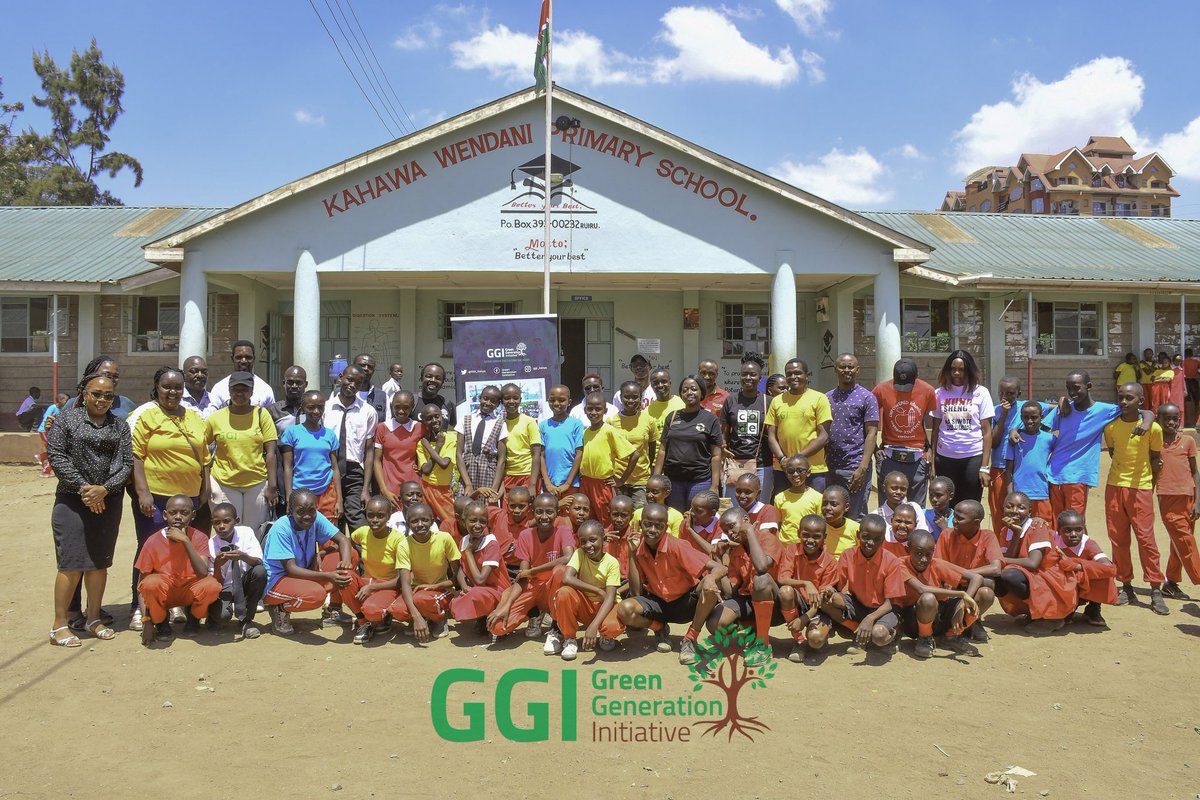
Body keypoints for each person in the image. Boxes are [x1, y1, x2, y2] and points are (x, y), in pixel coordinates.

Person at [46, 373, 132, 646]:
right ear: (84, 393)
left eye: (108, 396)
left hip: (107, 502)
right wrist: (85, 488)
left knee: (99, 563)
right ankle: (59, 625)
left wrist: (104, 489)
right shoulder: (65, 419)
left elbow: (126, 463)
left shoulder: (119, 426)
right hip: (72, 501)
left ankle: (94, 618)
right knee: (71, 564)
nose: (102, 400)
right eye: (96, 393)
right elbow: (57, 455)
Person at [130, 367, 211, 631]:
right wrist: (143, 492)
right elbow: (136, 456)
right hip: (157, 499)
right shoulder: (148, 416)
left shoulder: (195, 417)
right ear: (157, 386)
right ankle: (140, 606)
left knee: (185, 550)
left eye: (178, 387)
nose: (173, 392)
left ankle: (180, 603)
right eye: (167, 386)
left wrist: (205, 489)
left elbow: (205, 458)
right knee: (150, 552)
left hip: (189, 499)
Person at [616, 503, 727, 665]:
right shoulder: (637, 546)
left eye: (658, 526)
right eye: (647, 524)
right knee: (625, 609)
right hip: (658, 604)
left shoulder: (677, 545)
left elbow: (720, 567)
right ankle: (659, 628)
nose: (652, 530)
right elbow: (635, 593)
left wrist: (710, 578)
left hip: (686, 602)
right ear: (640, 524)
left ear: (666, 527)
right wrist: (632, 554)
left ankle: (690, 639)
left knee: (709, 587)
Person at [1048, 370, 1151, 519]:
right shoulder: (1064, 409)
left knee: (1074, 522)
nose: (1072, 392)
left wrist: (1146, 423)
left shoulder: (1105, 411)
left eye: (1076, 387)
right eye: (1068, 388)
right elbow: (1040, 427)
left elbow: (1145, 411)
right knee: (1056, 522)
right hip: (1053, 473)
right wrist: (1061, 400)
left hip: (1078, 476)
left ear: (1089, 386)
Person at [1104, 383, 1167, 614]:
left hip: (1140, 488)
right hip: (1114, 487)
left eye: (1129, 398)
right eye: (1121, 397)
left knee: (1146, 539)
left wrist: (1149, 488)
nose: (1123, 402)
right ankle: (1126, 585)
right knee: (1118, 539)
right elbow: (1113, 454)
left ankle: (1155, 588)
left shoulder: (1153, 428)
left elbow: (1155, 460)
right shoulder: (1110, 427)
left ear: (1140, 400)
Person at [261, 489, 354, 635]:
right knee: (316, 596)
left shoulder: (316, 518)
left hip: (305, 571)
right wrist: (329, 576)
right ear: (290, 511)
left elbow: (343, 540)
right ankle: (279, 609)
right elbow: (291, 569)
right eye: (300, 511)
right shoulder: (281, 529)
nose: (307, 516)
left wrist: (343, 563)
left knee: (350, 556)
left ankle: (332, 611)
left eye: (312, 510)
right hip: (279, 580)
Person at [487, 493, 574, 647]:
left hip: (553, 588)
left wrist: (533, 571)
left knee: (560, 571)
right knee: (497, 628)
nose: (544, 516)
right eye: (539, 512)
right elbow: (523, 576)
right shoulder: (526, 535)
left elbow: (568, 557)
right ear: (532, 512)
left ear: (557, 513)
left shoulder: (563, 531)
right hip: (532, 587)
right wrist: (507, 605)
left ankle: (556, 627)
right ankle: (535, 613)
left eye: (549, 511)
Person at [808, 514, 905, 652]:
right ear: (858, 535)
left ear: (883, 540)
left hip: (884, 609)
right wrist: (829, 590)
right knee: (828, 600)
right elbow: (839, 588)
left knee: (879, 635)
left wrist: (870, 618)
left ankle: (894, 633)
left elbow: (890, 603)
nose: (870, 542)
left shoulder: (891, 561)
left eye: (876, 539)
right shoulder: (848, 555)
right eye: (866, 537)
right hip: (859, 604)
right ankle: (858, 634)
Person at [135, 494, 223, 645]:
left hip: (189, 591)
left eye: (184, 513)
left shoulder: (199, 537)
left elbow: (202, 572)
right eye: (172, 512)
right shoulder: (153, 541)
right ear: (164, 515)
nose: (178, 517)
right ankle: (161, 622)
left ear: (193, 515)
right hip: (165, 592)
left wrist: (185, 540)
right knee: (151, 583)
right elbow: (141, 587)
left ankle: (194, 620)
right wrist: (146, 622)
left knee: (211, 585)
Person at [205, 371, 278, 538]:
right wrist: (207, 479)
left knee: (253, 534)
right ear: (229, 391)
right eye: (235, 389)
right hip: (224, 484)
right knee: (229, 533)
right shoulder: (215, 418)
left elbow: (271, 452)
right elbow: (202, 449)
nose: (240, 393)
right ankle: (227, 564)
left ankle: (251, 565)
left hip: (256, 484)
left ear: (252, 392)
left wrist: (272, 486)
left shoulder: (261, 415)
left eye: (244, 389)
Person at [993, 492, 1080, 631]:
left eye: (1021, 508)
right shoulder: (1006, 531)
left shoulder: (1037, 527)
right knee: (997, 576)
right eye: (1009, 507)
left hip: (1048, 576)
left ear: (1029, 511)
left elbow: (1033, 563)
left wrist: (998, 559)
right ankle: (1032, 612)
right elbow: (1007, 561)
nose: (1015, 511)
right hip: (1030, 574)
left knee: (1009, 575)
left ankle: (1051, 617)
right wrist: (1015, 533)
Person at [895, 529, 985, 658]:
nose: (924, 559)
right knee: (927, 598)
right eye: (918, 553)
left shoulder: (936, 564)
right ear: (907, 550)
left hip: (939, 614)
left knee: (985, 594)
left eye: (928, 554)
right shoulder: (900, 564)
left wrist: (963, 602)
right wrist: (961, 594)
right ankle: (924, 639)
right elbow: (921, 589)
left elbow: (977, 577)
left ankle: (951, 636)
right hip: (913, 618)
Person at [707, 506, 785, 646]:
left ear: (746, 520)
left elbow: (762, 566)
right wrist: (719, 559)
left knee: (760, 579)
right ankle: (753, 627)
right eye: (726, 531)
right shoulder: (737, 551)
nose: (730, 533)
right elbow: (731, 590)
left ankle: (762, 643)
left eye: (732, 526)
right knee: (715, 624)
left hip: (776, 603)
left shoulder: (768, 539)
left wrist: (749, 530)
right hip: (750, 600)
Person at [551, 520, 624, 660]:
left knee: (611, 628)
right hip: (586, 605)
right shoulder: (579, 554)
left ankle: (605, 635)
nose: (588, 545)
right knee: (564, 593)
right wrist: (596, 590)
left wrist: (593, 627)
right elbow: (567, 578)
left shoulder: (612, 562)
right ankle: (570, 639)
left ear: (603, 539)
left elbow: (609, 598)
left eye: (593, 540)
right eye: (583, 541)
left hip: (606, 606)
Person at [930, 350, 994, 505]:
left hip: (972, 457)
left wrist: (984, 467)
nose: (956, 373)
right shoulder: (939, 393)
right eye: (953, 369)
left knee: (970, 506)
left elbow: (987, 432)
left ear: (969, 370)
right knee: (946, 505)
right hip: (945, 458)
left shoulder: (981, 393)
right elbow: (935, 430)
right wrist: (933, 464)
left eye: (961, 369)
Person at [388, 502, 460, 640]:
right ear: (408, 524)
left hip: (441, 590)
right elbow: (405, 584)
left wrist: (435, 586)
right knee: (396, 609)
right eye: (414, 521)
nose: (420, 524)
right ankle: (421, 618)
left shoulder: (444, 539)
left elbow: (457, 576)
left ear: (432, 521)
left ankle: (439, 618)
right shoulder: (404, 545)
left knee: (421, 599)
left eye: (425, 520)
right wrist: (415, 616)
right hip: (417, 590)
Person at [933, 499, 1000, 642]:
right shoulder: (947, 535)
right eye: (954, 517)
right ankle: (954, 624)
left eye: (959, 518)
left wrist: (964, 573)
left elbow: (996, 568)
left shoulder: (988, 536)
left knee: (987, 590)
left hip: (973, 585)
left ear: (976, 523)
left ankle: (970, 622)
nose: (954, 521)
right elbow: (938, 566)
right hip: (951, 588)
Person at [872, 358, 936, 505]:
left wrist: (930, 449)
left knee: (916, 508)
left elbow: (931, 422)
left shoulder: (928, 391)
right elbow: (868, 420)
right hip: (889, 456)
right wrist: (875, 449)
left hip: (918, 456)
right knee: (887, 507)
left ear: (916, 377)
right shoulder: (881, 389)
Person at [654, 375, 723, 511]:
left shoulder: (710, 419)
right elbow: (662, 450)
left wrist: (714, 486)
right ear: (680, 394)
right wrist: (656, 479)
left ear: (701, 392)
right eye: (685, 390)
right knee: (675, 518)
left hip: (700, 480)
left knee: (697, 518)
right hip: (673, 481)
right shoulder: (672, 417)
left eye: (693, 389)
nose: (689, 393)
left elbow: (716, 456)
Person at [825, 353, 879, 520]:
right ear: (836, 369)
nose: (846, 370)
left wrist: (862, 468)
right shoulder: (827, 397)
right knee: (833, 515)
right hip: (830, 467)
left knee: (856, 515)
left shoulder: (867, 397)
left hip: (854, 467)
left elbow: (872, 433)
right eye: (842, 366)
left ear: (857, 370)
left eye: (850, 367)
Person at [765, 358, 832, 494]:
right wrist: (783, 459)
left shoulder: (819, 398)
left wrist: (796, 460)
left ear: (806, 375)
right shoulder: (777, 401)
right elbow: (771, 435)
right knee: (784, 510)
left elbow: (823, 436)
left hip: (813, 469)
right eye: (789, 374)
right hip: (783, 468)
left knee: (814, 512)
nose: (793, 377)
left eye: (798, 373)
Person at [777, 514, 838, 660]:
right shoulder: (793, 549)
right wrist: (806, 583)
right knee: (785, 591)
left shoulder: (830, 562)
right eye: (805, 535)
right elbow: (782, 579)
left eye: (816, 536)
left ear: (824, 537)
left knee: (816, 641)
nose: (810, 540)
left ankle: (821, 635)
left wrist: (804, 619)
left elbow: (822, 600)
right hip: (797, 602)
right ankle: (798, 640)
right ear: (798, 533)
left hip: (818, 608)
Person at [1156, 403, 1200, 600]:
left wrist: (1198, 502)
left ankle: (1171, 583)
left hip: (1189, 498)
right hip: (1168, 498)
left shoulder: (1188, 441)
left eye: (1175, 418)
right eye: (1166, 418)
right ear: (1159, 420)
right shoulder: (1154, 443)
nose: (1171, 422)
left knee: (1179, 544)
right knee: (1186, 543)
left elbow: (1195, 472)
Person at [325, 364, 377, 531]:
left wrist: (366, 488)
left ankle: (361, 556)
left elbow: (369, 451)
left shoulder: (368, 412)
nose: (353, 385)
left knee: (357, 521)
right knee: (332, 520)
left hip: (354, 472)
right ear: (340, 377)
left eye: (358, 382)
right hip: (329, 469)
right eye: (349, 379)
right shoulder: (325, 408)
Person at [451, 499, 513, 633]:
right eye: (473, 520)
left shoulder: (491, 543)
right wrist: (463, 586)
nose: (478, 525)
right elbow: (460, 569)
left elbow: (480, 579)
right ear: (463, 520)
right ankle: (482, 616)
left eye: (482, 521)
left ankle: (491, 612)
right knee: (460, 599)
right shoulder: (464, 540)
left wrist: (468, 552)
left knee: (474, 595)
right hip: (480, 590)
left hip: (499, 592)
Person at [206, 502, 267, 639]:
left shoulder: (246, 532)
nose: (221, 526)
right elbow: (215, 583)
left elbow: (258, 561)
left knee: (260, 572)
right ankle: (213, 617)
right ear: (212, 524)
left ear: (236, 521)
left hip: (244, 583)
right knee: (222, 616)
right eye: (217, 523)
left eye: (226, 521)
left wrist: (243, 556)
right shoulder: (211, 544)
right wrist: (217, 566)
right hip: (225, 588)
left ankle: (246, 620)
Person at [280, 390, 341, 525]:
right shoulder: (291, 432)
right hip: (300, 492)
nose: (316, 411)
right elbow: (288, 467)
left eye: (320, 407)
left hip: (327, 492)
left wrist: (339, 500)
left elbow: (335, 469)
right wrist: (290, 496)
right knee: (302, 534)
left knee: (328, 538)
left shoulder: (330, 435)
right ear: (303, 408)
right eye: (311, 407)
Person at [720, 359, 772, 503]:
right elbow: (724, 431)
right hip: (735, 463)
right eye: (744, 375)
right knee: (733, 508)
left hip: (761, 463)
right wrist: (723, 447)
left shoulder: (769, 401)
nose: (748, 378)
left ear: (759, 378)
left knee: (759, 506)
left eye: (752, 375)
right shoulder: (731, 401)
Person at [1054, 509, 1116, 626]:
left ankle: (1093, 608)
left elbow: (1110, 568)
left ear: (1084, 529)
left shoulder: (1088, 544)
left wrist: (1077, 565)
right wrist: (1038, 520)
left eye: (1078, 529)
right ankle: (1067, 609)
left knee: (1102, 573)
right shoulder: (1053, 541)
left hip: (1081, 583)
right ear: (1058, 531)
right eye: (1067, 530)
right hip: (1061, 584)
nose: (1073, 534)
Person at [1004, 401, 1055, 522]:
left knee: (1043, 530)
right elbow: (1008, 471)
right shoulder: (1014, 440)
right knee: (1020, 530)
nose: (1030, 421)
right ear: (1021, 417)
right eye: (1025, 417)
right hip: (1020, 496)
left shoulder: (1050, 439)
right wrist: (1010, 495)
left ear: (1041, 417)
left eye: (1034, 417)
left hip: (1042, 493)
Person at [456, 384, 508, 504]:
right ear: (480, 398)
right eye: (486, 398)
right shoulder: (465, 419)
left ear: (498, 404)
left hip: (489, 473)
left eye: (493, 401)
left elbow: (501, 460)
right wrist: (467, 484)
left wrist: (494, 489)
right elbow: (459, 454)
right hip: (467, 473)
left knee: (486, 512)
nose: (488, 403)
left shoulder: (500, 423)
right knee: (464, 507)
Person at [608, 381, 655, 507]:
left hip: (641, 480)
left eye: (635, 397)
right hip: (617, 479)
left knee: (640, 516)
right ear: (621, 397)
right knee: (619, 516)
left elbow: (652, 447)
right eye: (627, 396)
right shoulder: (611, 421)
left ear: (640, 398)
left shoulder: (648, 419)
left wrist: (649, 469)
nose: (631, 400)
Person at [267, 367, 308, 512]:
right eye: (290, 382)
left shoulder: (313, 410)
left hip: (307, 471)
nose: (294, 386)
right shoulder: (273, 411)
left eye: (299, 383)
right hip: (280, 471)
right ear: (283, 383)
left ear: (306, 384)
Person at [372, 390, 421, 507]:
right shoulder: (382, 428)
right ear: (391, 405)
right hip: (390, 487)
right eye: (397, 407)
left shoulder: (419, 427)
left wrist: (422, 468)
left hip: (413, 487)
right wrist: (384, 490)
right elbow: (377, 461)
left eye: (406, 408)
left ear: (412, 407)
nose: (401, 411)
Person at [416, 402, 458, 526]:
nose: (434, 420)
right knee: (427, 523)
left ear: (441, 416)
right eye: (429, 418)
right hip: (426, 487)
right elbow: (426, 470)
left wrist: (432, 446)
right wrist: (433, 447)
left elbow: (444, 463)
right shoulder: (421, 443)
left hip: (443, 490)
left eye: (437, 416)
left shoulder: (450, 438)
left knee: (451, 523)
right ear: (423, 421)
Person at [540, 384, 584, 499]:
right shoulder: (543, 425)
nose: (556, 403)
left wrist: (567, 483)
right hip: (549, 485)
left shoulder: (576, 424)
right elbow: (541, 455)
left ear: (569, 402)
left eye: (561, 400)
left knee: (569, 515)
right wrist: (548, 483)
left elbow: (579, 454)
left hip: (571, 484)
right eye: (552, 400)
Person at [499, 383, 543, 495]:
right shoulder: (499, 424)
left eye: (515, 398)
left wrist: (532, 484)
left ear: (520, 399)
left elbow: (536, 454)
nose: (511, 401)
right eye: (507, 398)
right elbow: (499, 458)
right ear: (501, 401)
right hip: (508, 477)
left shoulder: (529, 422)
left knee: (527, 511)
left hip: (528, 475)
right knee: (508, 511)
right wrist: (501, 483)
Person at [210, 340, 275, 410]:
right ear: (232, 359)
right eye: (239, 357)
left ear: (254, 359)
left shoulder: (265, 389)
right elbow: (212, 416)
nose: (243, 361)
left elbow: (272, 417)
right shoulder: (219, 388)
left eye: (248, 357)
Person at [775, 454, 823, 545]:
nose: (795, 474)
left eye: (800, 470)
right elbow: (778, 524)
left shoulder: (818, 497)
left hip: (807, 546)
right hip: (785, 546)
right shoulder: (779, 498)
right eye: (791, 471)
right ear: (786, 473)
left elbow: (821, 525)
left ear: (808, 472)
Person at [874, 471, 930, 538]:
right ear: (884, 488)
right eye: (894, 488)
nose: (898, 492)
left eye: (903, 489)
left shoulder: (914, 508)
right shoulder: (876, 516)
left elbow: (923, 535)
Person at [35, 391, 70, 477]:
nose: (67, 402)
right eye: (66, 400)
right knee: (54, 450)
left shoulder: (61, 409)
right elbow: (46, 417)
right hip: (44, 431)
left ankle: (41, 457)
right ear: (61, 400)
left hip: (52, 432)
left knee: (55, 450)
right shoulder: (53, 407)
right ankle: (46, 470)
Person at [678, 490, 722, 554]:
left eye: (698, 511)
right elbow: (682, 549)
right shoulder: (686, 523)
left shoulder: (720, 525)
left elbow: (714, 551)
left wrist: (691, 530)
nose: (692, 513)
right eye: (692, 509)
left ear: (713, 512)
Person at [821, 485, 859, 557]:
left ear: (846, 507)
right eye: (824, 504)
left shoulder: (856, 529)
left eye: (833, 504)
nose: (828, 508)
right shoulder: (819, 528)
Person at [645, 368, 685, 437]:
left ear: (670, 383)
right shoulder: (647, 411)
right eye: (656, 383)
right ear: (651, 386)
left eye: (664, 381)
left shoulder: (683, 403)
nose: (660, 385)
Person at [605, 494, 636, 580]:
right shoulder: (601, 536)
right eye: (615, 514)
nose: (619, 519)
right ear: (608, 514)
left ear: (631, 517)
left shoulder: (637, 539)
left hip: (628, 585)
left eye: (623, 515)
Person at [417, 362, 456, 426]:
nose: (433, 380)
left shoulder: (447, 405)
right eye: (429, 376)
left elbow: (461, 428)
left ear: (442, 382)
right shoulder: (411, 403)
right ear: (421, 378)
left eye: (438, 378)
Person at [352, 352, 388, 421]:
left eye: (370, 367)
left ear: (373, 371)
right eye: (362, 365)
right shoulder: (339, 393)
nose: (366, 368)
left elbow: (387, 425)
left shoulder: (383, 396)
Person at [1183, 348, 1200, 415]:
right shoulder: (1196, 362)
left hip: (1185, 381)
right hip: (1193, 381)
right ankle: (1196, 413)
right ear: (1192, 354)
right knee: (1196, 398)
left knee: (1187, 399)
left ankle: (1188, 414)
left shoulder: (1183, 362)